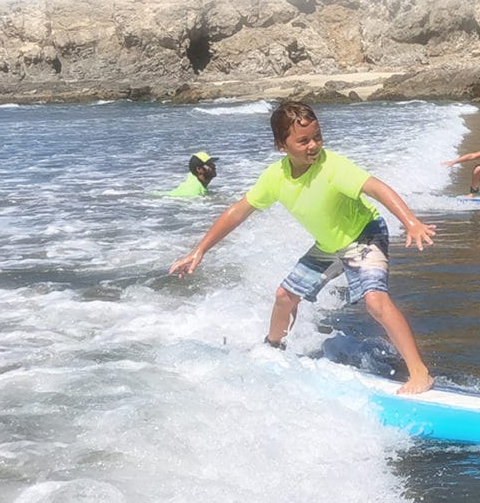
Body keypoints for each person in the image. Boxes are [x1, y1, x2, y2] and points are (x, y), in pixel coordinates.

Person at [169, 101, 437, 394]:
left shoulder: (332, 166)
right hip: (328, 245)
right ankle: (272, 349)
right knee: (285, 296)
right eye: (303, 140)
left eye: (317, 137)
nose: (314, 146)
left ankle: (420, 373)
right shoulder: (275, 177)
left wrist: (411, 222)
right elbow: (238, 211)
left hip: (364, 236)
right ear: (281, 145)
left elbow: (376, 187)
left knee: (375, 301)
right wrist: (200, 250)